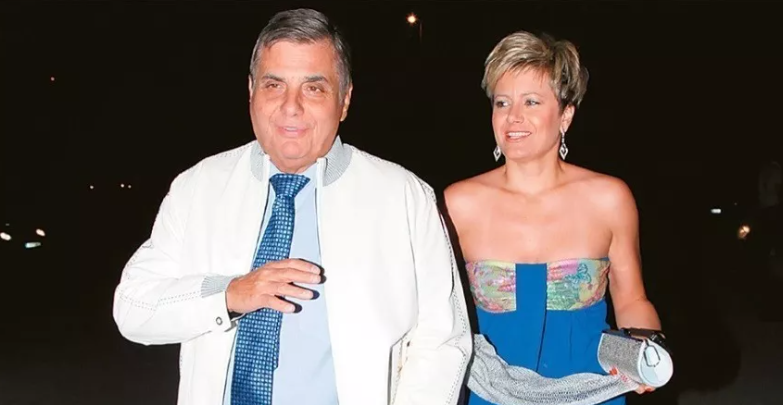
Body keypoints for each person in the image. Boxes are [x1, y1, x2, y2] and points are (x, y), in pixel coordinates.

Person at [113, 8, 471, 405]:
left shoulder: (403, 197)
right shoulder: (198, 187)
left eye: (314, 88)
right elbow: (133, 308)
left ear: (345, 100)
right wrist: (228, 294)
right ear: (251, 91)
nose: (291, 106)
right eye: (274, 85)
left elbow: (443, 339)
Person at [443, 30, 662, 405]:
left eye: (531, 101)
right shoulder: (457, 204)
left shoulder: (608, 198)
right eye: (502, 102)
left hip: (591, 390)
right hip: (490, 392)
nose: (513, 117)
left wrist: (645, 349)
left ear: (566, 115)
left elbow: (632, 299)